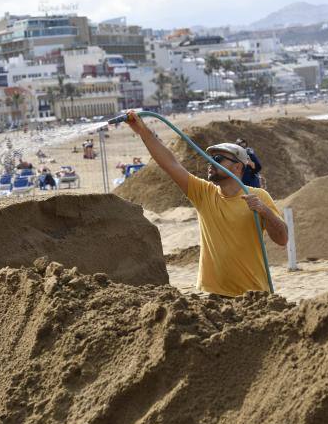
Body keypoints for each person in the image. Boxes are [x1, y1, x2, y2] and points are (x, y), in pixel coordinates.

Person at [123, 110, 287, 297]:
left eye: (217, 159)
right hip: (213, 296)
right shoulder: (203, 193)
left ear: (238, 167)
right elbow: (170, 164)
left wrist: (264, 210)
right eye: (209, 158)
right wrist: (142, 131)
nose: (210, 162)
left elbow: (282, 239)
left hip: (253, 295)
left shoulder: (258, 196)